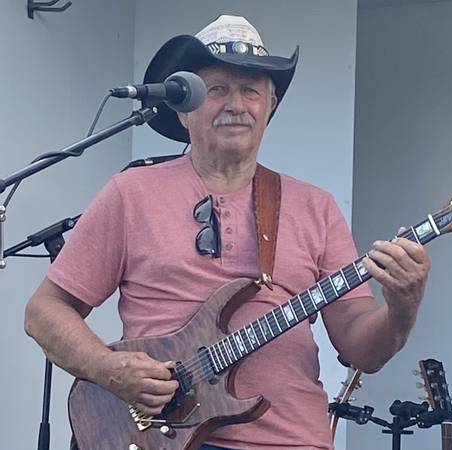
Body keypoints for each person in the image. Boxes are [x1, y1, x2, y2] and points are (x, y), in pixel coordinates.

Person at [24, 14, 430, 450]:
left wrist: (402, 307)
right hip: (158, 436)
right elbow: (44, 311)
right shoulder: (131, 193)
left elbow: (362, 351)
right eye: (216, 89)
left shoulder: (317, 206)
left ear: (270, 107)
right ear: (184, 109)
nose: (236, 104)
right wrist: (109, 369)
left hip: (291, 439)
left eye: (251, 90)